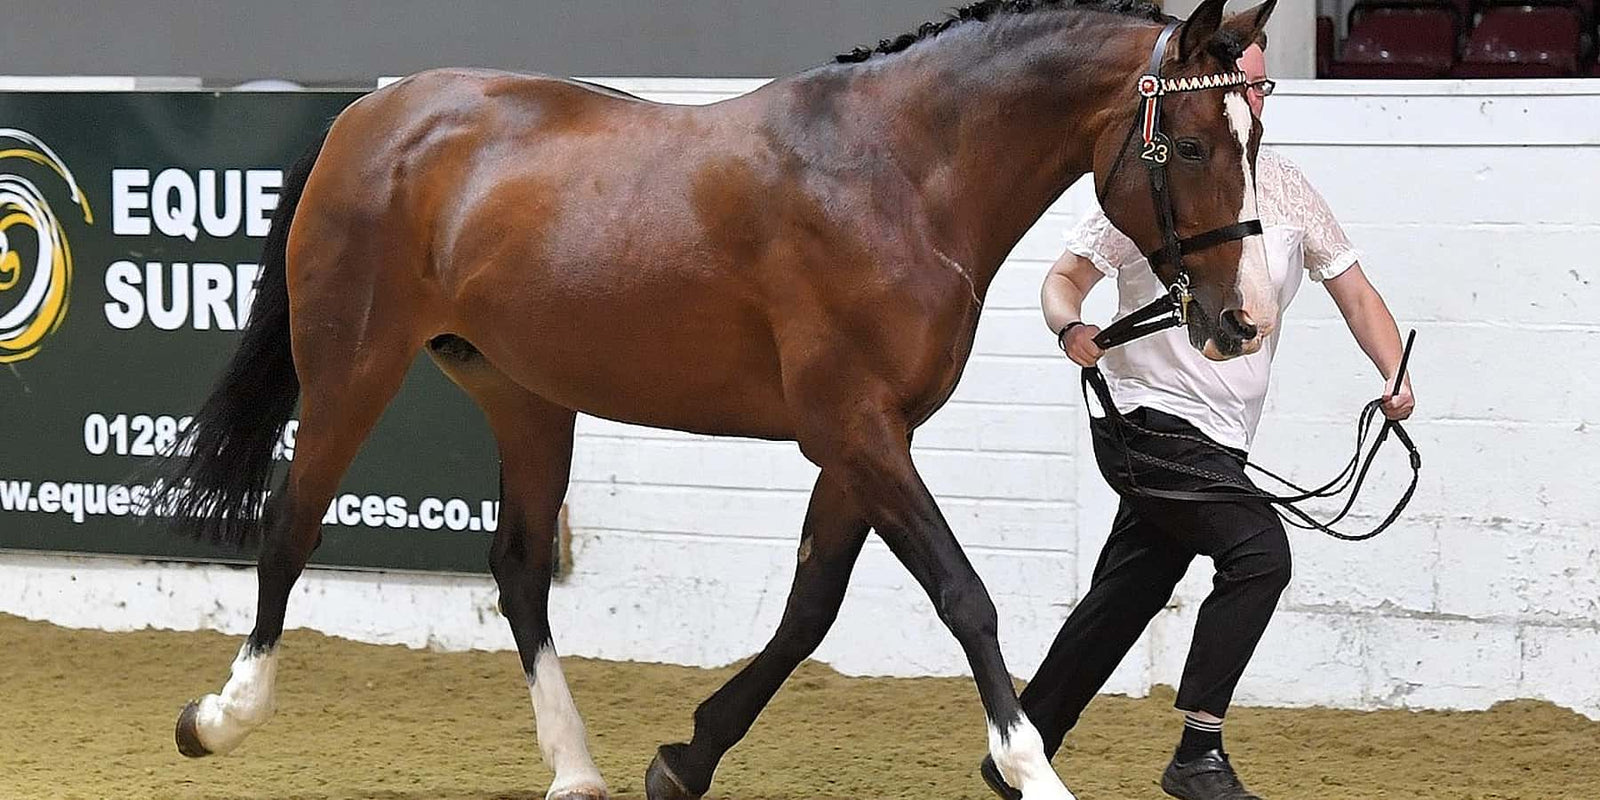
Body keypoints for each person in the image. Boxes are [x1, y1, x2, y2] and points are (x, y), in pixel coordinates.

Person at [982, 40, 1416, 800]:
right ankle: (1197, 753)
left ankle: (1023, 741)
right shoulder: (1164, 183)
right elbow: (1063, 280)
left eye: (1256, 87)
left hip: (1219, 438)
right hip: (1146, 422)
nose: (1248, 100)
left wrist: (1393, 371)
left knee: (1129, 591)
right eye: (1235, 88)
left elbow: (1354, 289)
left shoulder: (1285, 189)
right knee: (1259, 555)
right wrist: (1068, 328)